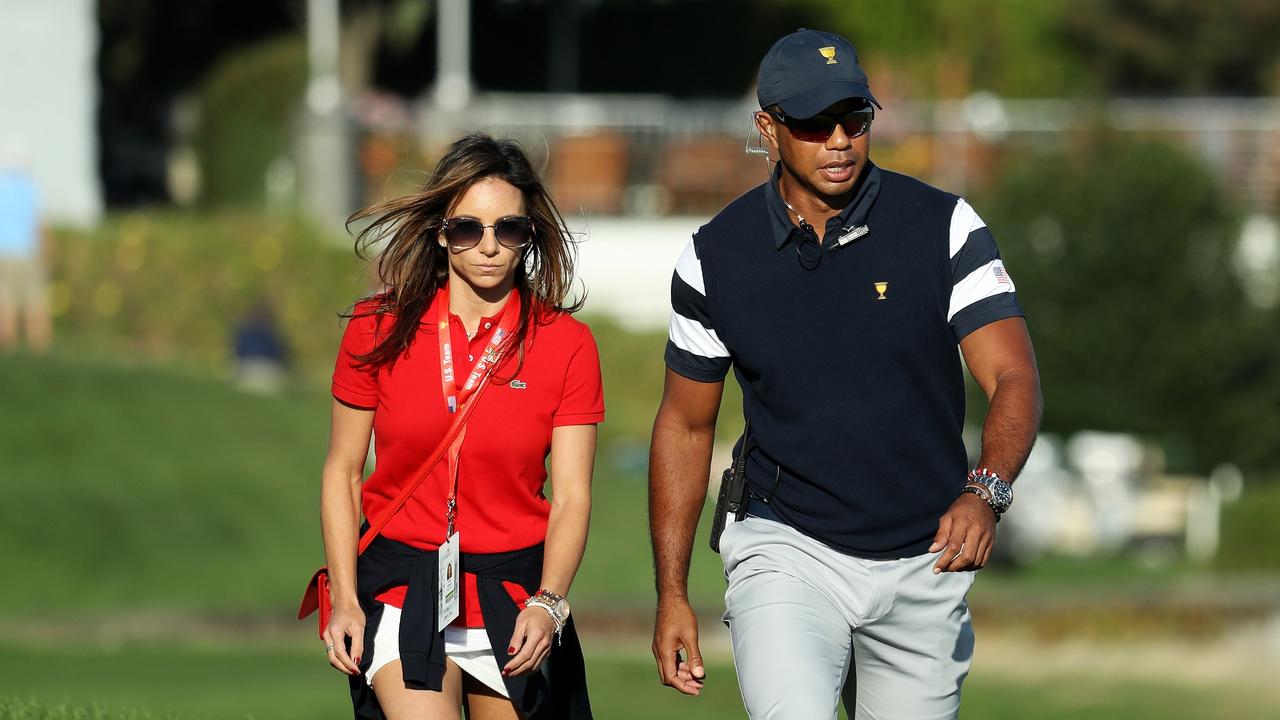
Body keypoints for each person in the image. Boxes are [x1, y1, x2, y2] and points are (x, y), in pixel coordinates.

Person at [648, 29, 1042, 719]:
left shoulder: (946, 227)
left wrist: (987, 491)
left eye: (854, 118)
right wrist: (673, 593)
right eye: (812, 122)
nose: (839, 139)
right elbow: (684, 426)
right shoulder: (713, 258)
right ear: (767, 129)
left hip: (927, 555)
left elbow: (1014, 376)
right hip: (784, 546)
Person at [320, 134, 603, 720]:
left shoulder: (567, 344)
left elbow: (573, 495)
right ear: (441, 232)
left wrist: (550, 601)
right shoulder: (378, 327)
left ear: (530, 237)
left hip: (513, 594)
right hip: (402, 585)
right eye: (468, 229)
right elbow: (343, 472)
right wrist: (345, 600)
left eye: (510, 230)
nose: (489, 246)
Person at [0, 138, 51, 353]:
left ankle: (7, 350)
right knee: (35, 305)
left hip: (3, 253)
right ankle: (39, 350)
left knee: (5, 306)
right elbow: (38, 225)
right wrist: (47, 253)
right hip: (27, 254)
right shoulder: (31, 188)